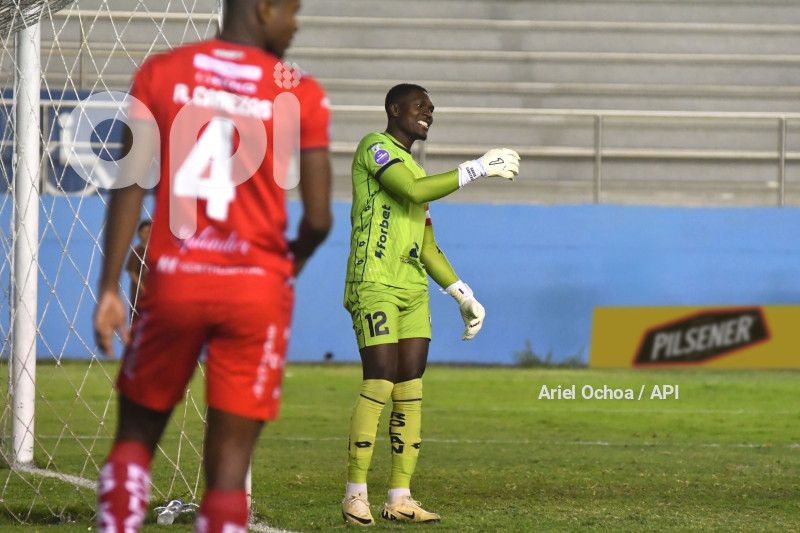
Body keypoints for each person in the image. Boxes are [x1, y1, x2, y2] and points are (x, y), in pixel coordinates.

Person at [92, 1, 332, 532]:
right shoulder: (298, 89)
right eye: (292, 9)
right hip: (256, 289)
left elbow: (130, 182)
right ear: (264, 7)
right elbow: (318, 218)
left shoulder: (163, 70)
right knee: (229, 472)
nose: (296, 23)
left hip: (175, 279)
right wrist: (287, 264)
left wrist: (110, 285)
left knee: (135, 438)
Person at [341, 83, 520, 526]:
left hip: (412, 289)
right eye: (421, 106)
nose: (428, 113)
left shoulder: (415, 170)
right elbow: (416, 192)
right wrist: (476, 168)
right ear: (394, 108)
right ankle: (354, 493)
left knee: (411, 388)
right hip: (374, 282)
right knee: (380, 380)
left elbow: (427, 245)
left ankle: (399, 496)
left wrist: (462, 294)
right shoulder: (375, 148)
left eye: (432, 108)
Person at [124, 219, 151, 318]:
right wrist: (143, 288)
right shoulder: (136, 251)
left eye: (149, 231)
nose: (147, 234)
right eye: (145, 232)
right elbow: (132, 273)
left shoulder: (156, 251)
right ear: (139, 233)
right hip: (139, 296)